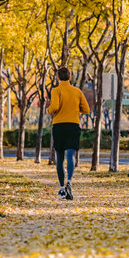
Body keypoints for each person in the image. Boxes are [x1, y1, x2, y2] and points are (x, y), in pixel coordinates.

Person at [46, 67, 90, 200]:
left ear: (58, 78)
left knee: (60, 157)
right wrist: (75, 108)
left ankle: (61, 189)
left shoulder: (56, 90)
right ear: (70, 77)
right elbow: (86, 109)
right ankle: (69, 182)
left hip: (59, 125)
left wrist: (49, 109)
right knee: (71, 154)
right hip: (73, 125)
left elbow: (54, 107)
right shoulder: (77, 91)